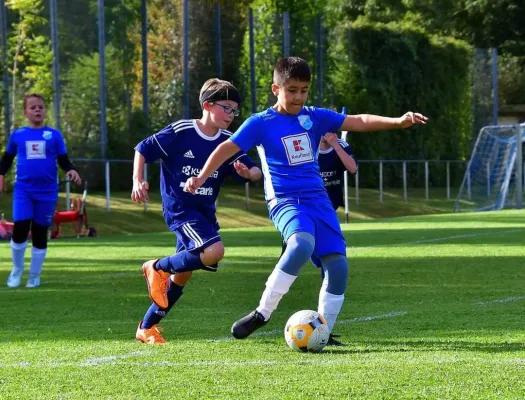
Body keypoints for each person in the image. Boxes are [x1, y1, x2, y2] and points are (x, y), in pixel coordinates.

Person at [184, 57, 428, 344]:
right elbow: (226, 148)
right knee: (301, 244)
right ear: (276, 89)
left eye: (304, 90)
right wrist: (200, 177)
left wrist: (398, 121)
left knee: (338, 267)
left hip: (319, 201)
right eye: (292, 90)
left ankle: (323, 330)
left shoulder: (316, 116)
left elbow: (358, 121)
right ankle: (262, 313)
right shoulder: (260, 123)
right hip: (285, 200)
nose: (298, 96)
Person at [132, 78, 262, 344]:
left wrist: (248, 173)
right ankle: (155, 267)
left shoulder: (229, 141)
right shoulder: (182, 131)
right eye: (226, 108)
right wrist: (137, 179)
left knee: (183, 275)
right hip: (180, 209)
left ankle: (146, 327)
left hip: (204, 213)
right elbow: (142, 148)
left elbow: (256, 171)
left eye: (234, 110)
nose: (231, 115)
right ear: (207, 105)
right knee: (214, 251)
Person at [0, 93, 81, 288]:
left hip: (47, 191)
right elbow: (7, 159)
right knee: (20, 228)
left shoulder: (54, 135)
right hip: (24, 190)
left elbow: (63, 159)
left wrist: (70, 169)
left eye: (41, 107)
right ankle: (17, 270)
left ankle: (34, 276)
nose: (37, 110)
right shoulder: (18, 135)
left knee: (39, 231)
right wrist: (1, 175)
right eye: (33, 107)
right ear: (25, 112)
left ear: (45, 111)